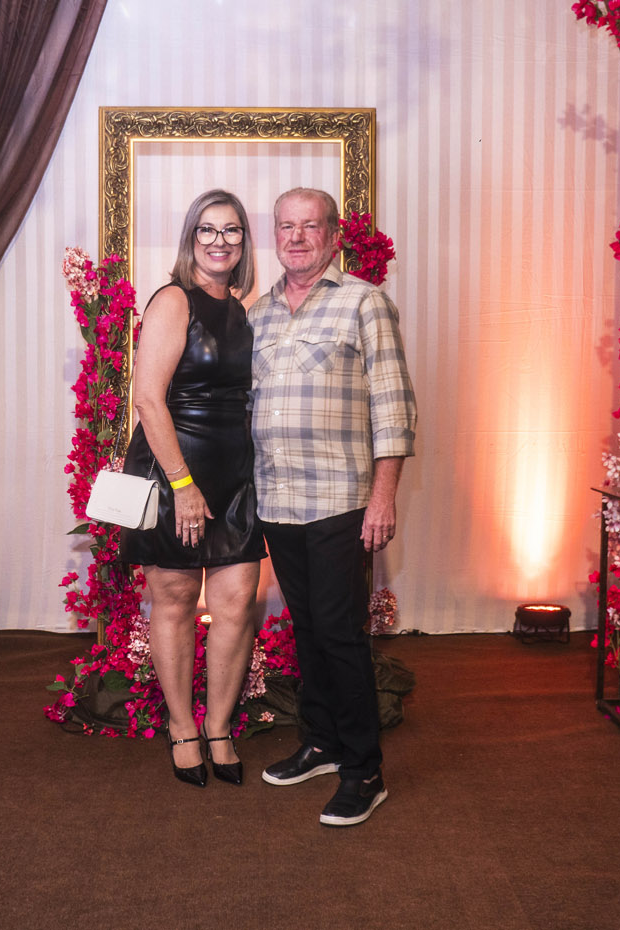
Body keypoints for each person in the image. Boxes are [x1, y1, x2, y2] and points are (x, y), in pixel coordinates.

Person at [249, 187, 416, 826]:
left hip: (341, 499)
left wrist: (383, 497)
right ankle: (321, 742)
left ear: (334, 234)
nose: (296, 237)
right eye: (285, 226)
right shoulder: (259, 314)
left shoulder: (364, 302)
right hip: (278, 499)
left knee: (341, 633)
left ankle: (364, 770)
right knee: (307, 627)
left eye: (309, 225)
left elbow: (393, 406)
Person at [119, 189, 266, 788]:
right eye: (207, 229)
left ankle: (219, 727)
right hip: (172, 471)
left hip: (233, 477)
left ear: (244, 242)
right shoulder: (173, 300)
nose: (219, 241)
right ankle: (183, 729)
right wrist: (182, 485)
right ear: (191, 239)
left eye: (231, 230)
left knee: (236, 605)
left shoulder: (243, 311)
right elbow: (147, 399)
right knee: (176, 601)